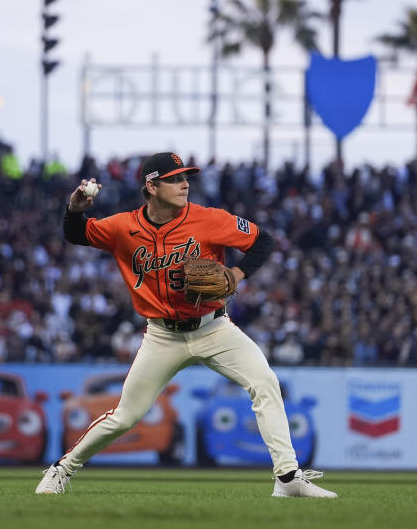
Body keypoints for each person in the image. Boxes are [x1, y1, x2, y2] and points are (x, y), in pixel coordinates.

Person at [35, 152, 337, 498]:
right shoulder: (123, 227)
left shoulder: (208, 219)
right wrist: (75, 208)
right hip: (162, 336)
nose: (185, 184)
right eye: (175, 178)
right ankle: (61, 470)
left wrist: (236, 274)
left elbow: (262, 241)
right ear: (152, 186)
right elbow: (76, 234)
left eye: (186, 177)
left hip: (214, 328)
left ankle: (287, 479)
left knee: (265, 382)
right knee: (126, 416)